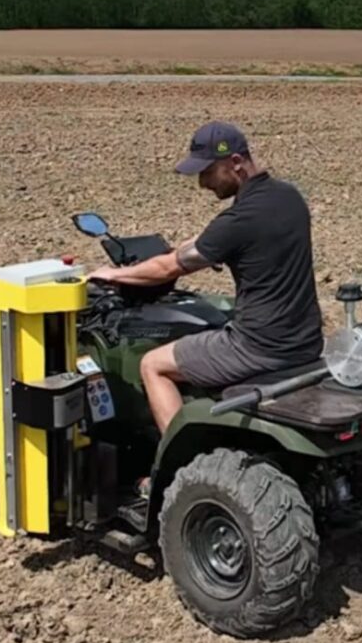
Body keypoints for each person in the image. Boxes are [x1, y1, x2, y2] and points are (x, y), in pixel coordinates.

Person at [89, 120, 325, 439]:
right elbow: (207, 242)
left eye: (207, 172)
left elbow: (169, 269)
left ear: (236, 163)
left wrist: (113, 274)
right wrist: (178, 250)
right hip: (305, 341)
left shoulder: (238, 220)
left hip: (258, 348)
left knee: (152, 365)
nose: (202, 183)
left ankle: (179, 461)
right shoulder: (288, 197)